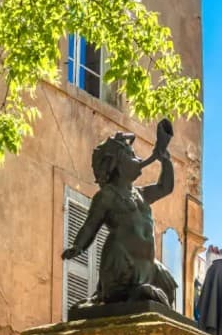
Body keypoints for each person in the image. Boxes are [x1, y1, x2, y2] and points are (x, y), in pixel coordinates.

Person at [61, 120, 178, 306]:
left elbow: (165, 187)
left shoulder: (141, 194)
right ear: (117, 165)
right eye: (132, 156)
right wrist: (78, 246)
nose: (139, 160)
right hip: (122, 262)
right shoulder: (107, 196)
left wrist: (165, 160)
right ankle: (114, 293)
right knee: (141, 294)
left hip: (147, 265)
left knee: (169, 289)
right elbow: (90, 225)